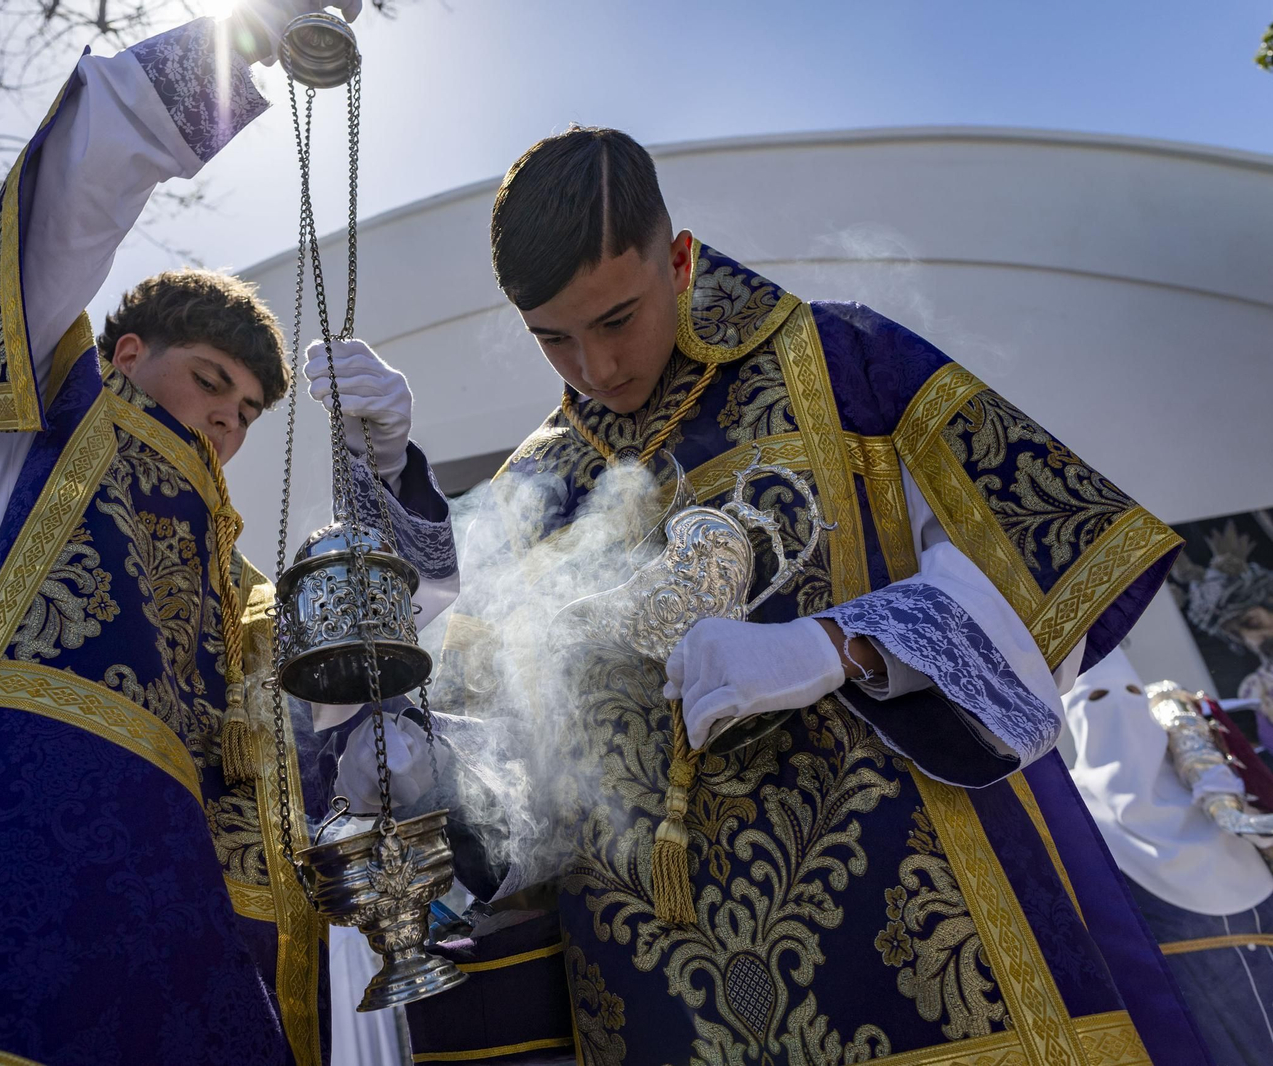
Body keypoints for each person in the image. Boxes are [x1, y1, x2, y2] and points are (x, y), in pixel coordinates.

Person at [380, 126, 1210, 1064]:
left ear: (680, 258)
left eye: (617, 319)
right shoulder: (539, 479)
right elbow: (514, 740)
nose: (596, 369)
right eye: (552, 340)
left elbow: (1037, 549)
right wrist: (426, 767)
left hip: (903, 909)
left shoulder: (840, 356)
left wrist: (839, 645)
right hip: (659, 978)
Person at [0, 5, 455, 1065]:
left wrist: (386, 471)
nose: (222, 430)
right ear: (126, 353)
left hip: (193, 1004)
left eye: (241, 420)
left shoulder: (242, 597)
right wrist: (245, 37)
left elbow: (377, 681)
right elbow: (67, 197)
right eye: (209, 387)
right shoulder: (42, 443)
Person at [1065, 648, 1273, 1065]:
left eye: (1129, 694)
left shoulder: (1214, 788)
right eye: (1098, 700)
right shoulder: (1070, 813)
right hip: (1190, 1026)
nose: (1118, 712)